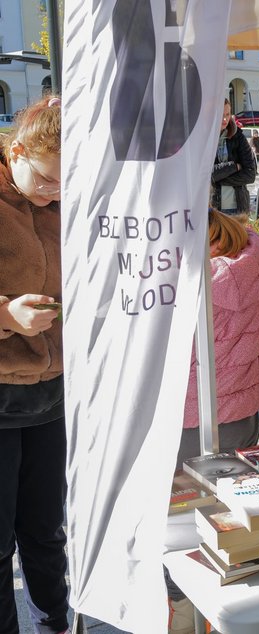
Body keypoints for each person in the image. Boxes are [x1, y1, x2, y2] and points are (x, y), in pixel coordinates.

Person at [169, 209, 259, 632]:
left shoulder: (187, 277)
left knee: (181, 521)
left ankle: (183, 610)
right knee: (235, 509)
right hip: (241, 407)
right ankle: (238, 598)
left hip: (187, 416)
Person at [0, 95, 68, 634]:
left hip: (50, 394)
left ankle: (55, 625)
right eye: (46, 180)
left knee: (46, 533)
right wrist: (7, 316)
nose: (54, 193)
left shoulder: (62, 202)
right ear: (16, 150)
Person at [211, 99, 257, 218]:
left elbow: (250, 174)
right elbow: (205, 174)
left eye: (227, 114)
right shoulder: (203, 138)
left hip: (238, 208)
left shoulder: (238, 136)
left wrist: (217, 179)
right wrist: (233, 166)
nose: (225, 119)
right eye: (221, 115)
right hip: (213, 208)